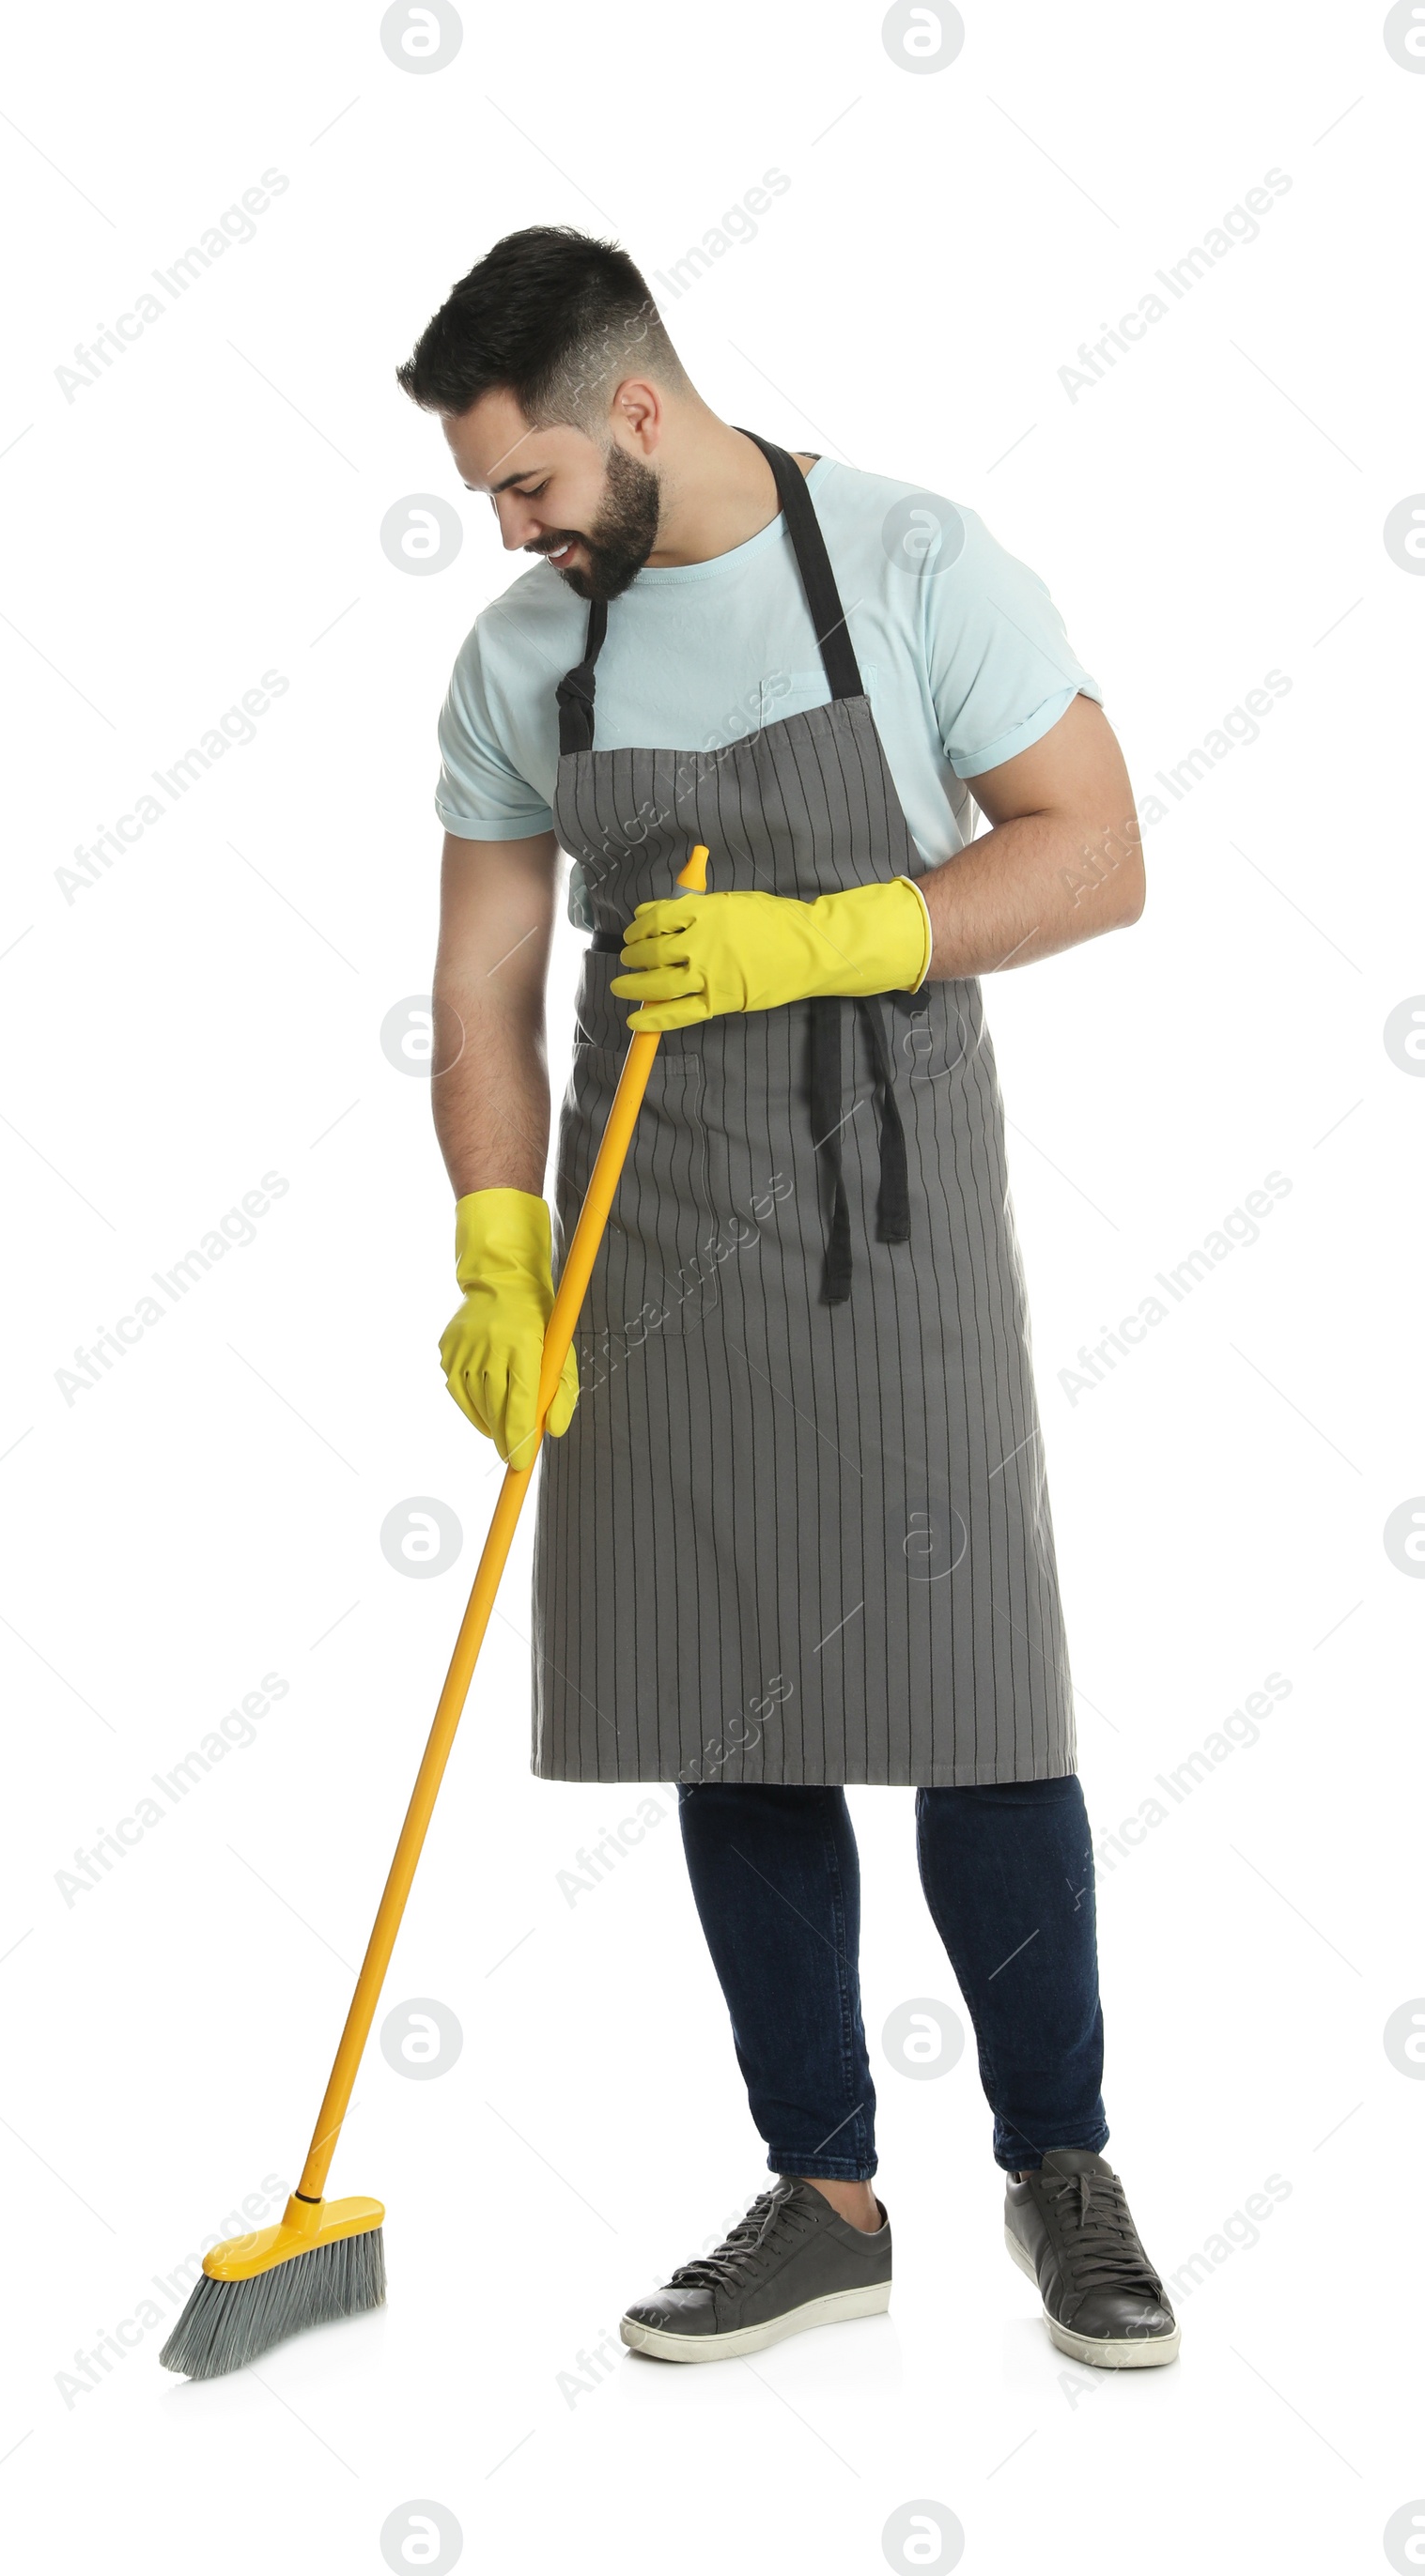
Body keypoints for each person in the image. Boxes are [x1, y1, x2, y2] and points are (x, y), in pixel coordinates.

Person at [398, 225, 1179, 2371]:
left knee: (976, 1699)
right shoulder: (517, 664)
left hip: (894, 1213)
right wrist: (494, 1242)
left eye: (531, 484)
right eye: (491, 504)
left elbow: (1094, 845)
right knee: (719, 1703)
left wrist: (835, 939)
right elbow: (475, 990)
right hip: (643, 1237)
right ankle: (821, 2189)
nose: (515, 532)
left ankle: (1063, 2169)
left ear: (634, 411)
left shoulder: (915, 565)